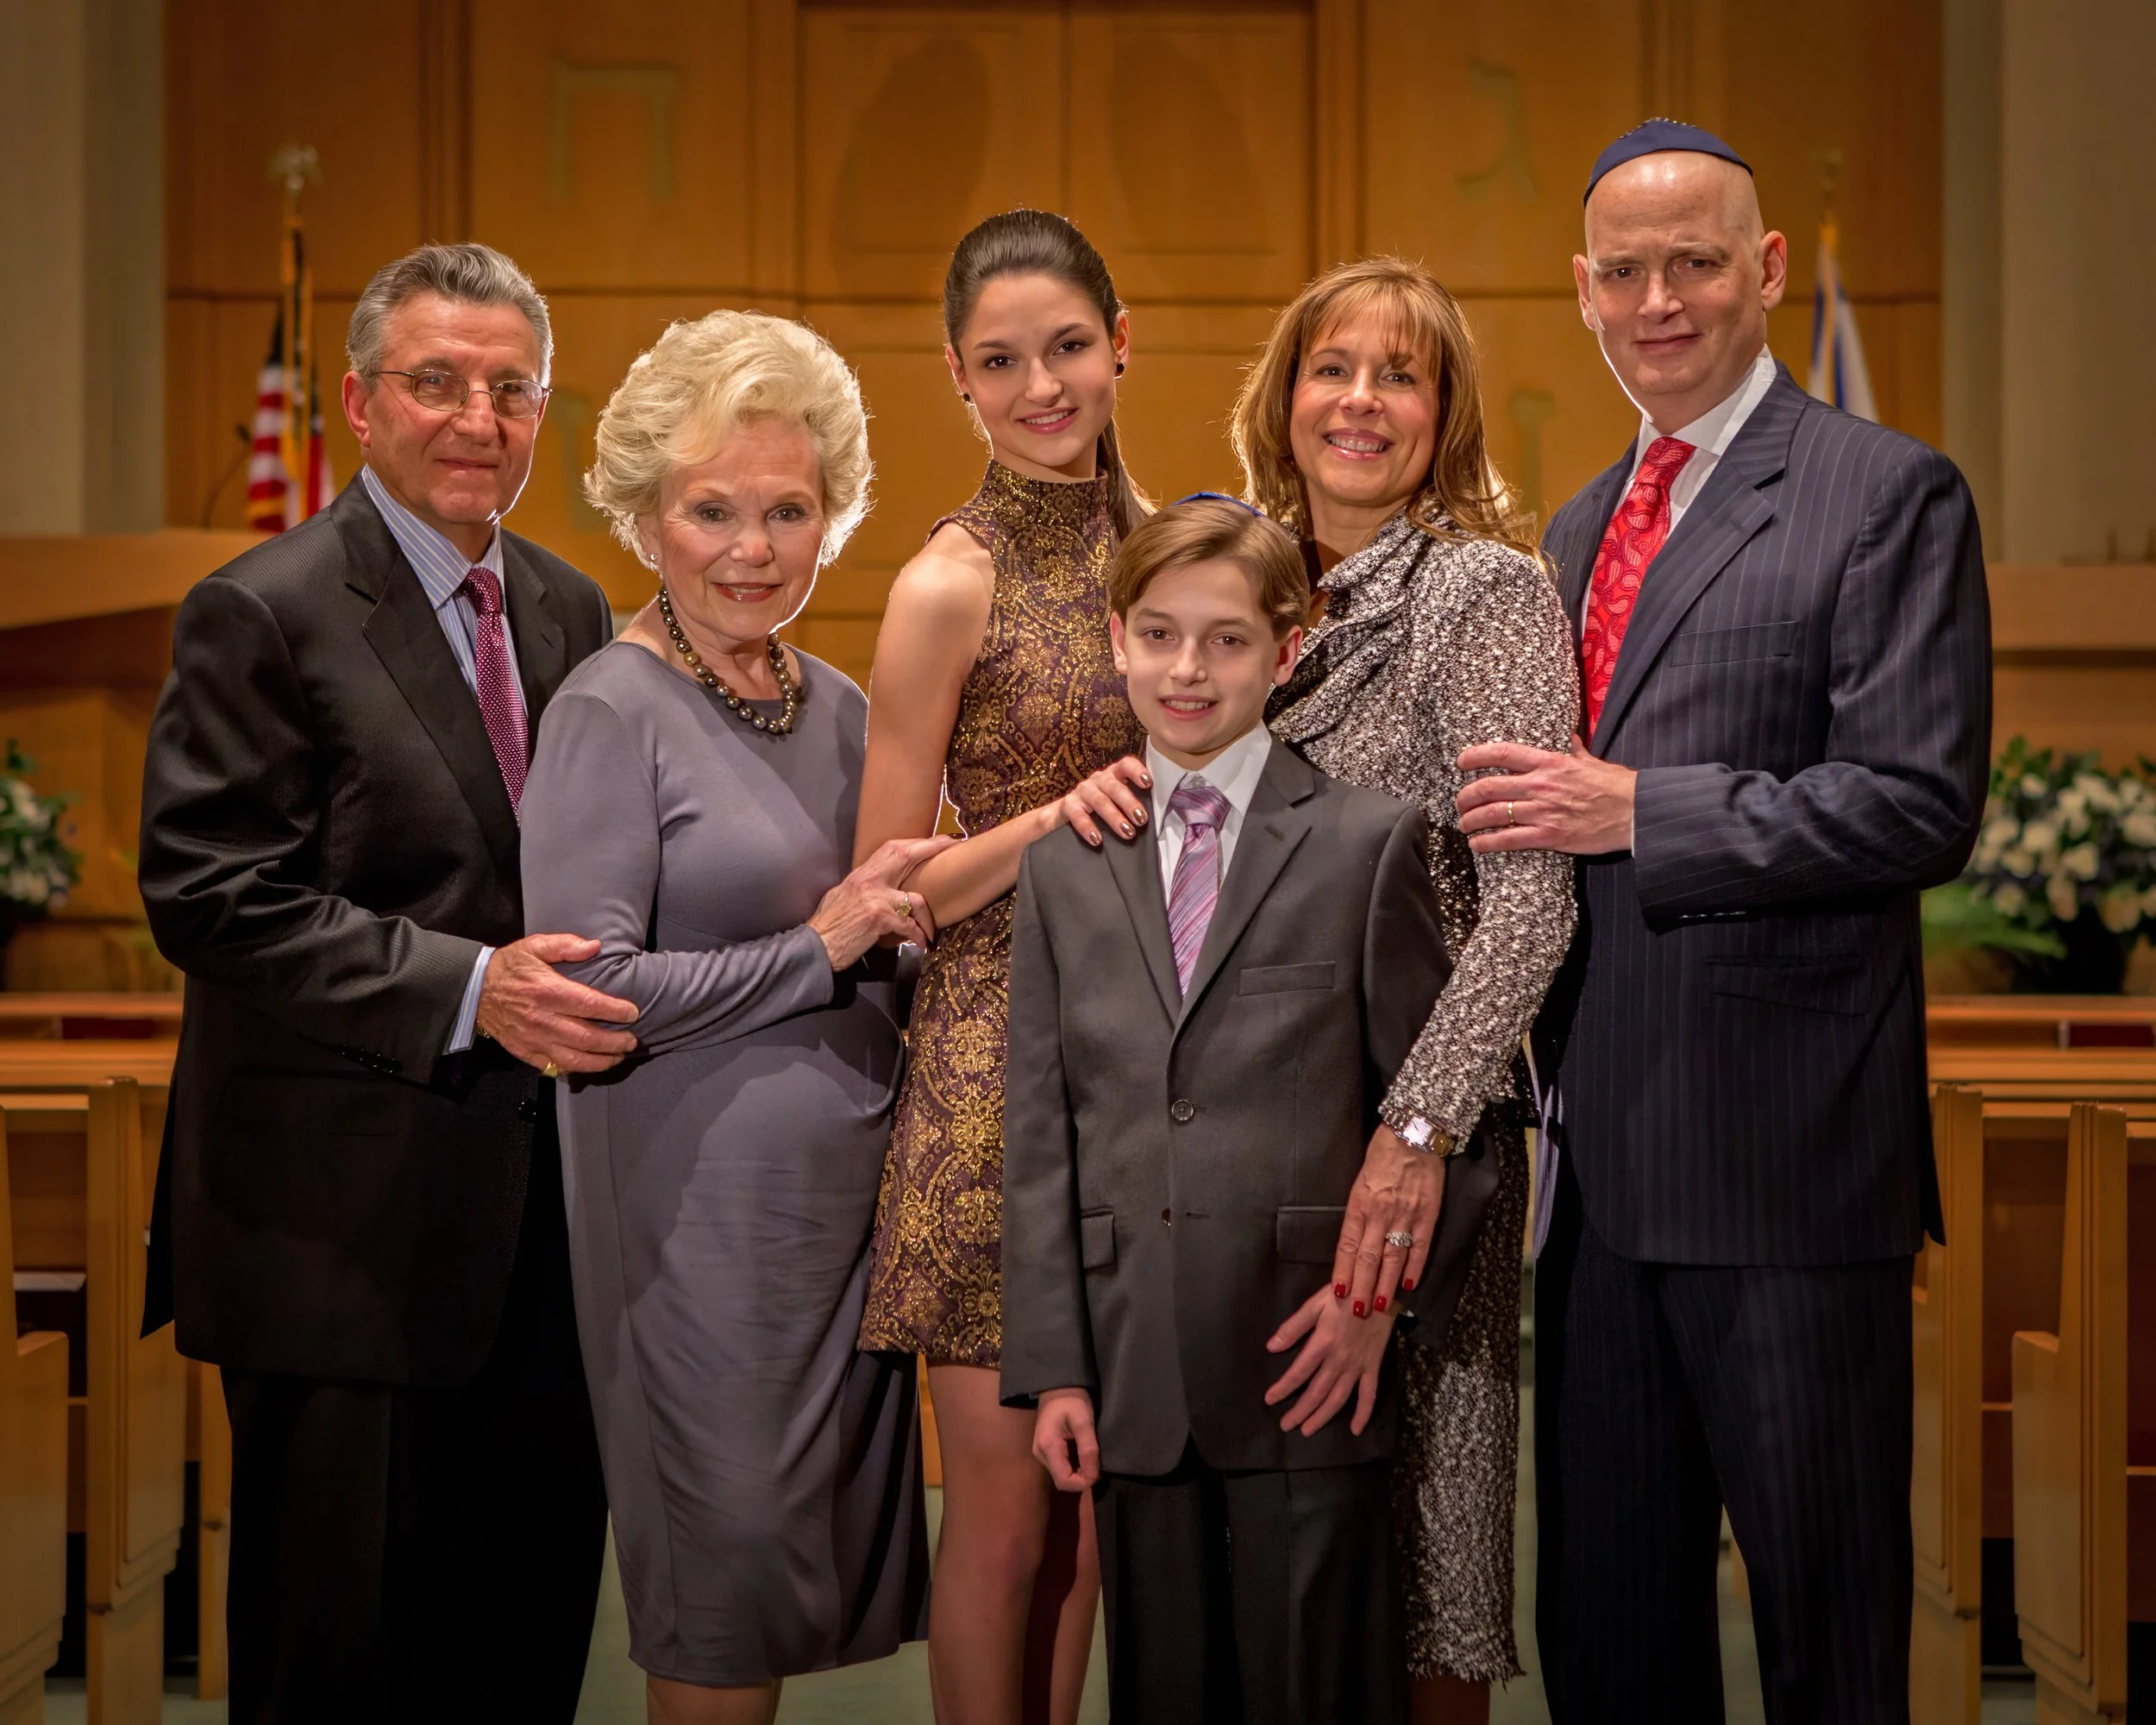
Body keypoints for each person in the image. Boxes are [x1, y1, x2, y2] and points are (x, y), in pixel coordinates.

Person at [1454, 121, 1991, 1721]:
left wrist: (1641, 812)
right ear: (1584, 293)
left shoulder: (1884, 494)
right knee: (1611, 1640)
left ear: (1764, 274)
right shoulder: (1572, 527)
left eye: (1695, 264)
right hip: (1596, 1182)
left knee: (1827, 1638)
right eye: (1624, 272)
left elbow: (1916, 805)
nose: (1659, 300)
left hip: (1787, 1171)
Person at [1070, 256, 1579, 1717]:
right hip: (1233, 1151)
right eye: (1332, 369)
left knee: (1428, 1583)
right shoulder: (1225, 580)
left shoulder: (1482, 596)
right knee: (1252, 1588)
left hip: (1412, 1153)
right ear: (1283, 397)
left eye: (1399, 375)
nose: (1361, 402)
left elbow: (1530, 904)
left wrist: (1410, 1140)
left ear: (1446, 413)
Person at [139, 242, 627, 1723]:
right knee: (339, 1661)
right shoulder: (263, 609)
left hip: (546, 1234)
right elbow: (211, 894)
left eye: (511, 388)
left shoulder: (571, 608)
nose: (478, 418)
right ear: (358, 400)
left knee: (522, 1646)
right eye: (437, 383)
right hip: (338, 1241)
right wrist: (476, 988)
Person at [1000, 497, 1500, 1725]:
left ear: (1288, 651)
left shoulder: (1369, 844)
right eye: (1160, 635)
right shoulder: (1065, 866)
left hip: (1309, 1363)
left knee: (1311, 1692)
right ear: (1117, 639)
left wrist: (1375, 1305)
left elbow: (1451, 1118)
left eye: (1226, 641)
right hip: (1132, 1369)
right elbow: (1039, 1136)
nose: (1187, 670)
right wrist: (1057, 1369)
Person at [520, 310, 943, 1725]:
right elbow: (590, 991)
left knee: (791, 1593)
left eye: (789, 510)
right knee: (718, 1597)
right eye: (713, 511)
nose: (753, 548)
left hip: (850, 1232)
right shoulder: (607, 710)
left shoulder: (840, 707)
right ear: (645, 517)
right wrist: (816, 947)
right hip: (695, 1233)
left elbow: (899, 923)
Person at [854, 209, 1150, 1723]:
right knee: (1008, 1512)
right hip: (991, 1074)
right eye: (1001, 360)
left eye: (1069, 348)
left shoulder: (1188, 552)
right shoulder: (942, 583)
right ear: (957, 379)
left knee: (1100, 1519)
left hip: (1159, 1071)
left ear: (1122, 344)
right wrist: (1053, 819)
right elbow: (886, 893)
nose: (1043, 385)